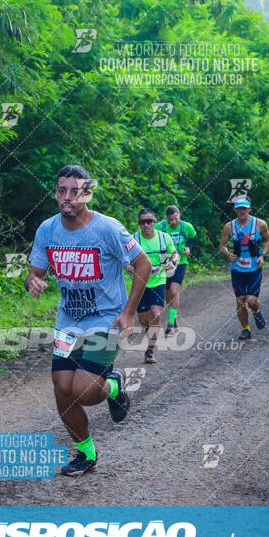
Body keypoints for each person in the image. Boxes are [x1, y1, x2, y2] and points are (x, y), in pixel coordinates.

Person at [25, 165, 151, 476]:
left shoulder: (107, 229)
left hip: (106, 320)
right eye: (61, 190)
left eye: (74, 191)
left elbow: (143, 264)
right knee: (62, 389)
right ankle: (86, 453)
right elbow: (35, 273)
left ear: (87, 194)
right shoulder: (47, 230)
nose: (66, 197)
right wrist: (33, 282)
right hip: (68, 322)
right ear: (56, 193)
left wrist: (129, 312)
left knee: (84, 389)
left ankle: (113, 384)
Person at [220, 196, 269, 340]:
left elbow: (268, 240)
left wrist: (263, 256)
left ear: (249, 208)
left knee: (251, 301)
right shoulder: (229, 226)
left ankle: (256, 311)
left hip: (254, 267)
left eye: (245, 208)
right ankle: (246, 329)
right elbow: (222, 245)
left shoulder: (260, 224)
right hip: (237, 268)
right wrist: (226, 253)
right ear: (235, 209)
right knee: (240, 300)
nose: (242, 211)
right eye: (239, 208)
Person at [133, 208, 178, 364]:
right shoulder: (134, 240)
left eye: (149, 221)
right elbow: (126, 260)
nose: (146, 225)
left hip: (158, 281)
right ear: (139, 224)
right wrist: (132, 268)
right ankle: (150, 329)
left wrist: (172, 263)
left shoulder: (163, 238)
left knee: (156, 314)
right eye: (142, 222)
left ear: (154, 222)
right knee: (144, 319)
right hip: (140, 283)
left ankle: (150, 350)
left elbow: (174, 253)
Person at [155, 205, 197, 335]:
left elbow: (193, 237)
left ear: (179, 215)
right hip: (165, 261)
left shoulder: (186, 227)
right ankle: (174, 317)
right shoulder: (160, 228)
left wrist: (189, 248)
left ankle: (170, 324)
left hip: (181, 261)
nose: (173, 222)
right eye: (170, 220)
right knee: (168, 294)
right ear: (166, 219)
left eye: (175, 219)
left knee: (174, 291)